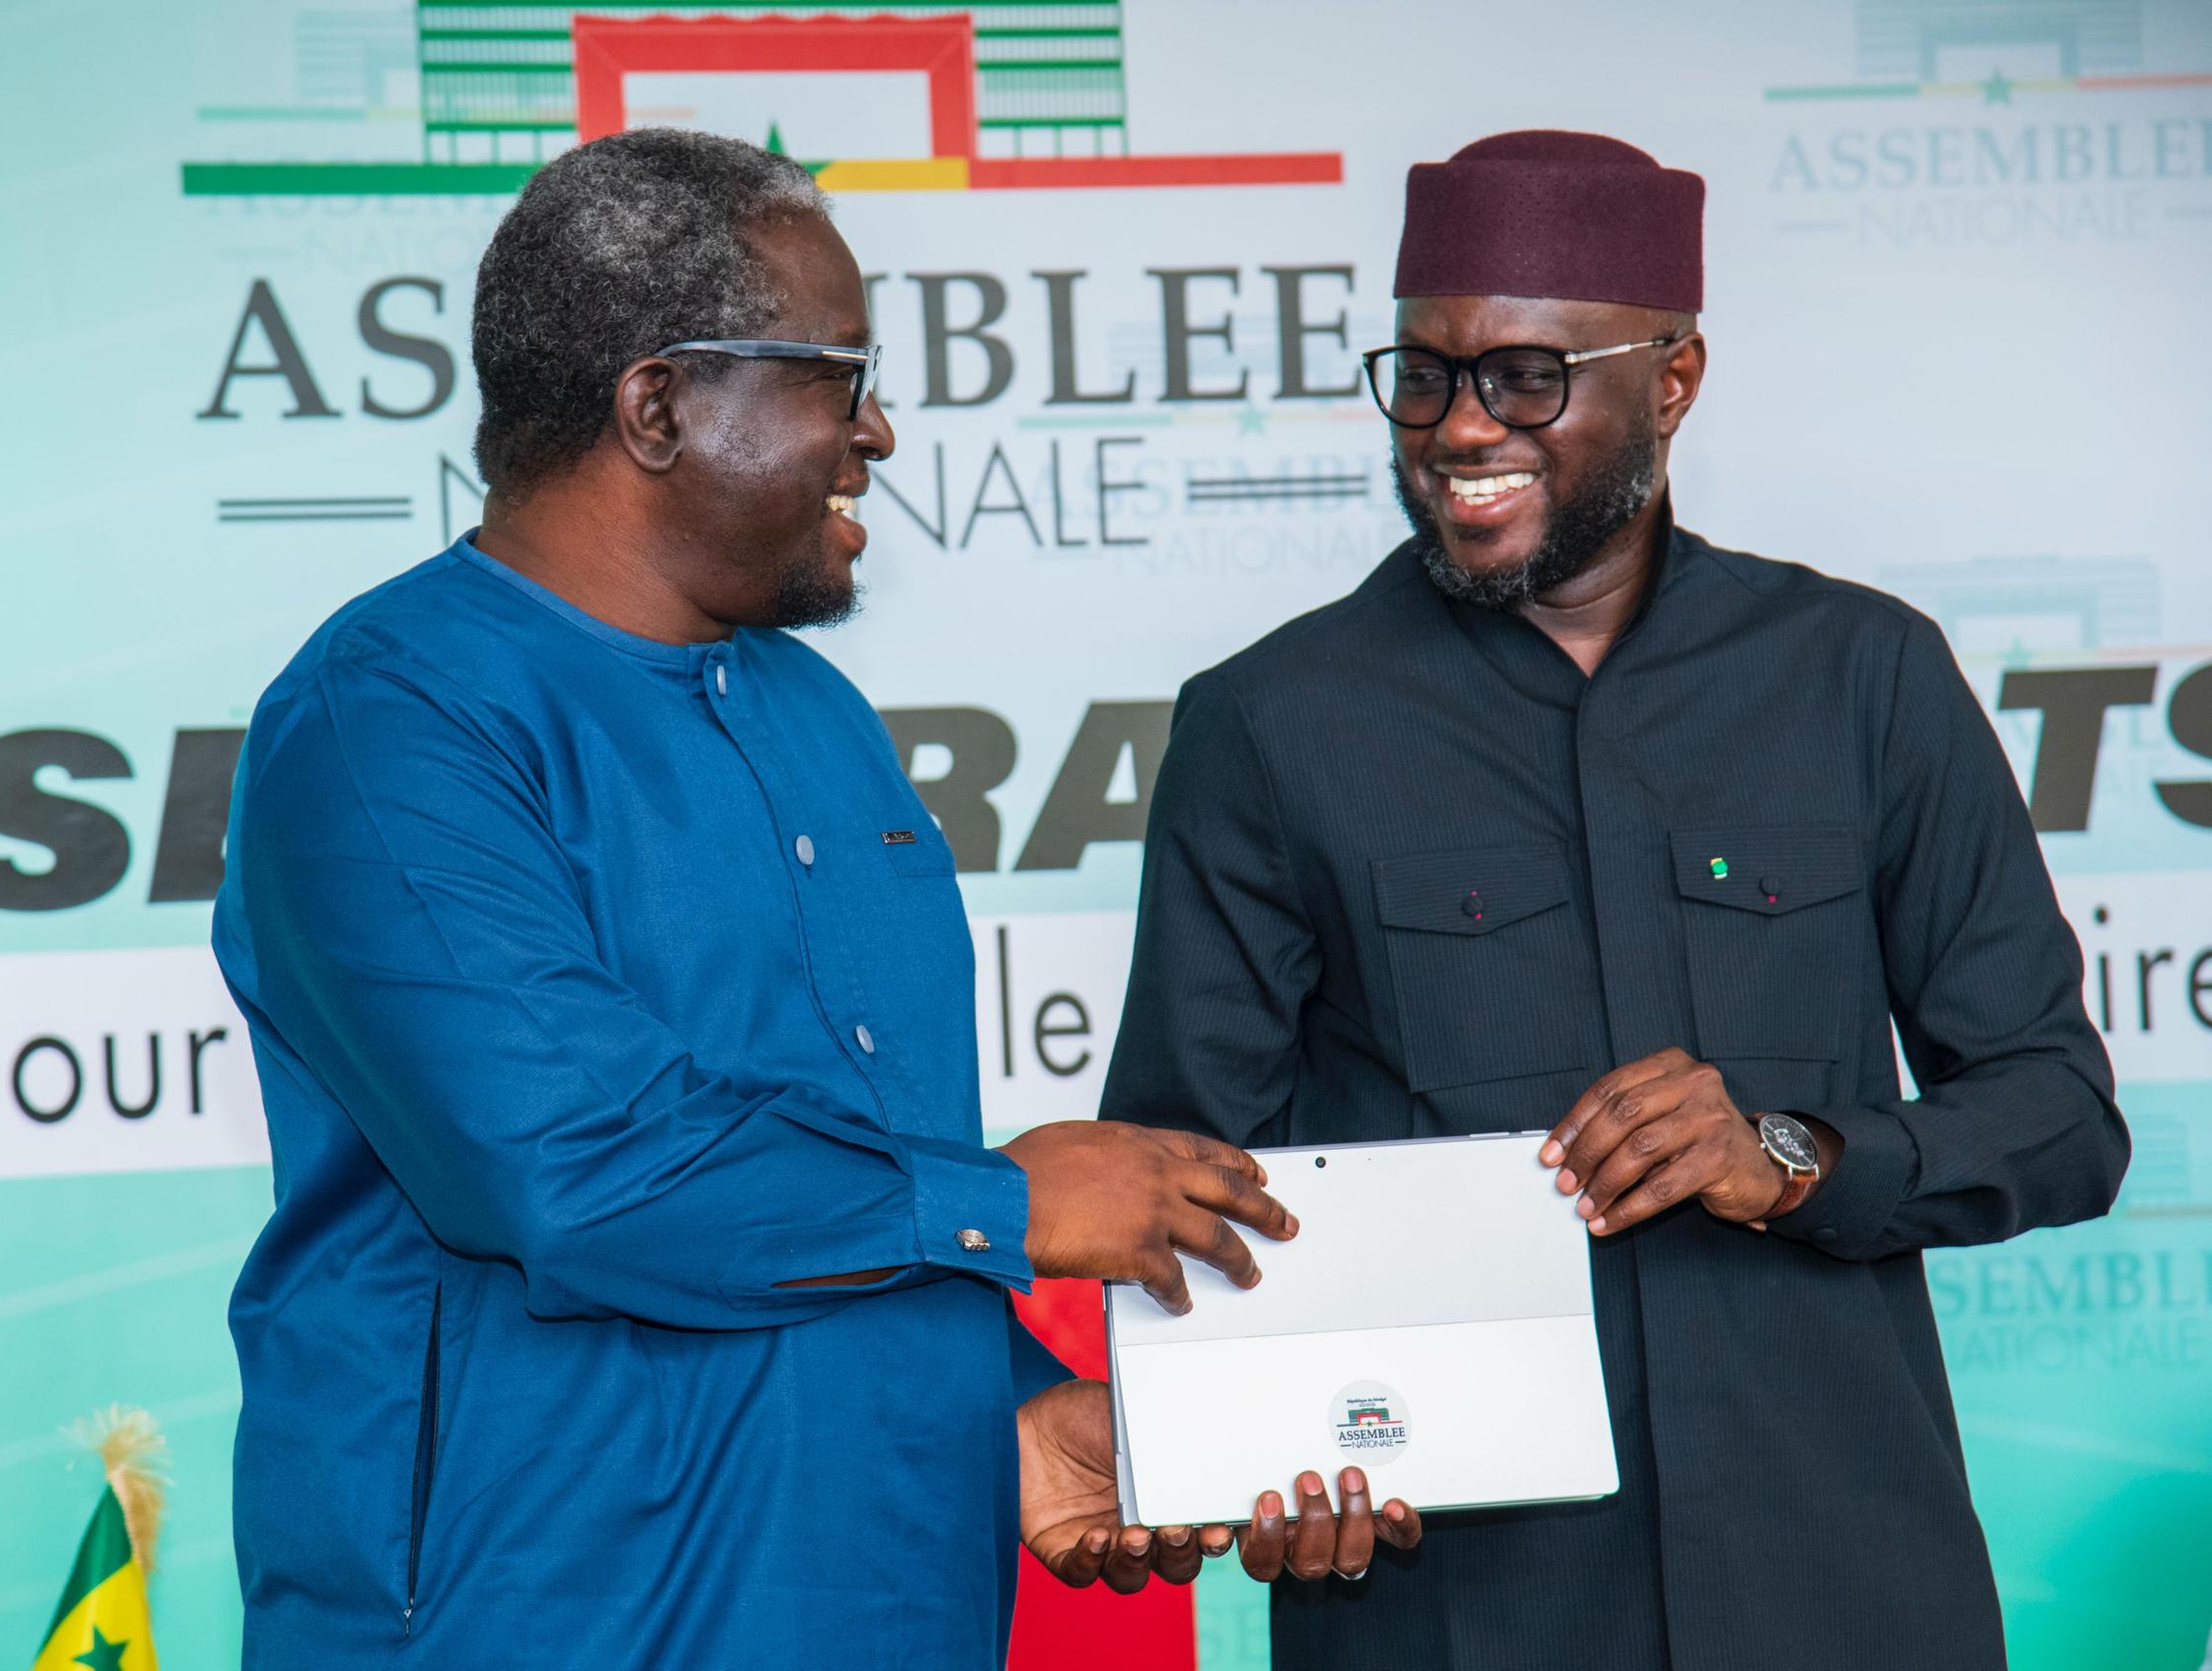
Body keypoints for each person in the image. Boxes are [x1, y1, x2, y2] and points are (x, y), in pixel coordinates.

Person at [212, 128, 1411, 1669]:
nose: (882, 431)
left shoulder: (820, 720)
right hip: (551, 1616)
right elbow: (577, 1172)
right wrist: (1015, 1200)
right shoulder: (391, 721)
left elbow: (833, 1165)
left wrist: (1014, 1417)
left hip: (886, 1596)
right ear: (657, 404)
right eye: (836, 378)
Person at [1099, 129, 2127, 1670]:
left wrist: (1789, 1154)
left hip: (1841, 1588)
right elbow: (1186, 1183)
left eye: (1527, 376)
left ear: (1676, 377)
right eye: (1426, 373)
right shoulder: (1268, 723)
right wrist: (1254, 1448)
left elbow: (2059, 1112)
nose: (1460, 427)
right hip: (1453, 1613)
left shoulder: (1863, 676)